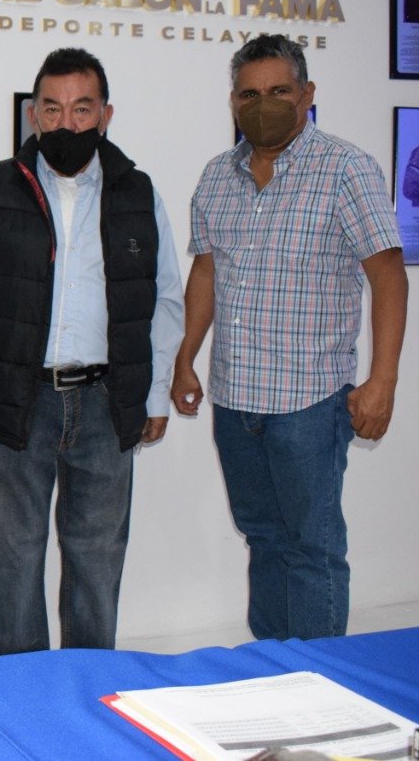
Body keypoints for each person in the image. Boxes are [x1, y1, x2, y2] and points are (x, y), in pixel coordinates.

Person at [0, 47, 184, 658]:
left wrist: (154, 396)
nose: (66, 123)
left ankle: (90, 689)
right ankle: (16, 696)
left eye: (81, 109)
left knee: (97, 560)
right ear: (33, 116)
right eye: (52, 109)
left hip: (106, 403)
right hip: (15, 397)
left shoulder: (138, 193)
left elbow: (163, 298)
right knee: (10, 559)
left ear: (105, 115)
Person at [172, 35, 407, 641]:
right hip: (236, 398)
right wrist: (184, 357)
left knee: (313, 548)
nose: (263, 105)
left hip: (310, 401)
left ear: (307, 94)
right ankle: (273, 667)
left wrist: (382, 381)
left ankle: (319, 678)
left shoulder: (347, 169)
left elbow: (388, 275)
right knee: (263, 538)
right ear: (233, 101)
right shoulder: (217, 176)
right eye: (250, 94)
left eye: (279, 91)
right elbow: (207, 271)